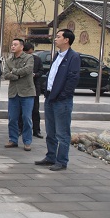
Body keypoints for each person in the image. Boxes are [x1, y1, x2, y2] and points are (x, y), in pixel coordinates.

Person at [35, 29, 80, 171]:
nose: (55, 38)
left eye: (58, 36)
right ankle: (51, 157)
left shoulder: (73, 57)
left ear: (66, 40)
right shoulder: (57, 55)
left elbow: (72, 79)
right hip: (50, 97)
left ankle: (61, 161)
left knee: (62, 133)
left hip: (62, 101)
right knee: (51, 131)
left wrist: (62, 95)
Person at [3, 38, 36, 151]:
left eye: (15, 44)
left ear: (21, 47)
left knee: (26, 118)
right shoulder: (9, 60)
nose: (12, 46)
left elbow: (28, 70)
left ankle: (27, 141)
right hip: (13, 92)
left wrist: (14, 72)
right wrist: (17, 75)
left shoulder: (29, 57)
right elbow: (6, 74)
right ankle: (13, 139)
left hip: (27, 92)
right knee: (12, 118)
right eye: (12, 44)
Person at [26, 42, 44, 138]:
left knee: (35, 110)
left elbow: (41, 71)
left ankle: (36, 130)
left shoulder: (37, 59)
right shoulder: (21, 59)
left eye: (30, 53)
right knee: (22, 111)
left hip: (34, 87)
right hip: (23, 87)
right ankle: (21, 128)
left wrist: (35, 74)